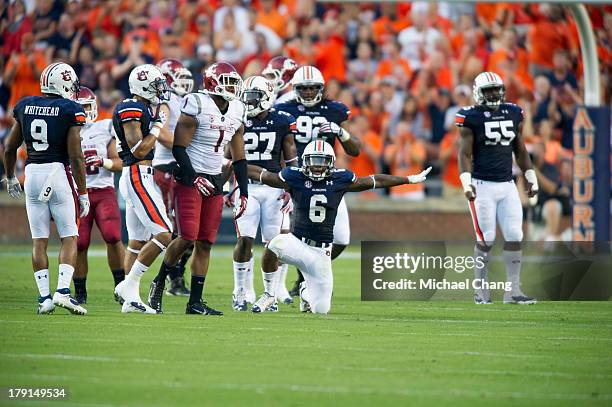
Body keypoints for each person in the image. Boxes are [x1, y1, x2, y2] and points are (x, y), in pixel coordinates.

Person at [247, 140, 431, 314]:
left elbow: (375, 181)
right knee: (275, 244)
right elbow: (263, 175)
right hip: (297, 243)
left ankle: (305, 291)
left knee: (321, 310)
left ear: (331, 163)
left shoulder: (340, 179)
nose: (317, 166)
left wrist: (408, 179)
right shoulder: (294, 176)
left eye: (322, 161)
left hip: (321, 253)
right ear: (305, 162)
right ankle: (269, 294)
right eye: (313, 161)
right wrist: (234, 164)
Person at [147, 62, 249, 316]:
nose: (232, 86)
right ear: (212, 82)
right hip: (188, 177)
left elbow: (239, 156)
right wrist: (193, 178)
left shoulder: (237, 108)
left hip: (215, 179)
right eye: (226, 80)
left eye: (234, 81)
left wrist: (244, 191)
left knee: (205, 243)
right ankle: (158, 283)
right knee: (186, 237)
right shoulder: (197, 103)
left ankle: (195, 302)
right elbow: (179, 147)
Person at [2, 62, 89, 315]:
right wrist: (82, 192)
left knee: (38, 240)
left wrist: (10, 177)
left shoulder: (25, 105)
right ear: (63, 85)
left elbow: (9, 148)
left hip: (31, 174)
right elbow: (76, 156)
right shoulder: (70, 108)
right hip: (57, 174)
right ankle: (63, 292)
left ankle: (44, 299)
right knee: (69, 236)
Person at [276, 65, 361, 296]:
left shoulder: (334, 110)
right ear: (295, 89)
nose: (308, 92)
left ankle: (309, 273)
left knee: (342, 238)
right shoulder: (284, 109)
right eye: (303, 88)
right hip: (299, 178)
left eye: (313, 88)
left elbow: (355, 151)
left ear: (321, 88)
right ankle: (292, 284)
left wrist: (340, 132)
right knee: (293, 235)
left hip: (328, 178)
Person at [456, 71, 539, 305]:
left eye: (496, 89)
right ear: (478, 92)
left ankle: (512, 291)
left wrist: (531, 176)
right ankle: (480, 291)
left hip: (508, 185)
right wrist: (467, 182)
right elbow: (464, 153)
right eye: (488, 90)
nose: (493, 94)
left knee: (514, 235)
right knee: (486, 239)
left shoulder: (513, 112)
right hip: (482, 186)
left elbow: (520, 149)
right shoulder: (470, 117)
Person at [229, 75, 298, 311]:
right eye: (246, 97)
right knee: (244, 239)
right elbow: (228, 157)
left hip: (274, 188)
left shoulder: (282, 121)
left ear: (266, 97)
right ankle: (239, 290)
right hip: (245, 186)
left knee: (273, 244)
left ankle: (269, 294)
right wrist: (228, 187)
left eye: (253, 97)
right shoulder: (236, 118)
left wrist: (291, 187)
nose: (247, 102)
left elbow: (291, 158)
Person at [113, 64, 173, 314]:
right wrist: (159, 125)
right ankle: (129, 285)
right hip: (137, 173)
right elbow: (138, 148)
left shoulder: (141, 107)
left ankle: (131, 300)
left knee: (137, 241)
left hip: (139, 174)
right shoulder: (131, 108)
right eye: (157, 85)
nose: (160, 90)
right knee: (164, 234)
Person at [73, 87, 124, 304]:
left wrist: (103, 162)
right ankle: (80, 293)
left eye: (87, 107)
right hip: (77, 192)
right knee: (80, 243)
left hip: (103, 191)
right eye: (80, 108)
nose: (85, 112)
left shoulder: (105, 127)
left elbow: (120, 162)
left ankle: (121, 288)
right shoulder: (66, 132)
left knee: (113, 236)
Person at [152, 58, 194, 296]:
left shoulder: (183, 100)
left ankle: (175, 277)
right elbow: (163, 135)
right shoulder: (164, 101)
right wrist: (187, 148)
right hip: (166, 166)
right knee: (172, 228)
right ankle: (170, 279)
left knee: (188, 230)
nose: (184, 82)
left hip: (182, 166)